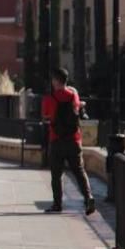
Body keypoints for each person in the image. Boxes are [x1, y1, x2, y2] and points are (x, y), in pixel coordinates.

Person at [41, 68, 95, 215]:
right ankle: (88, 197)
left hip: (56, 140)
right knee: (79, 170)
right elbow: (78, 108)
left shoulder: (49, 98)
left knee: (56, 175)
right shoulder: (73, 95)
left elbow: (45, 116)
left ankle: (57, 204)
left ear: (56, 81)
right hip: (74, 140)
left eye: (53, 80)